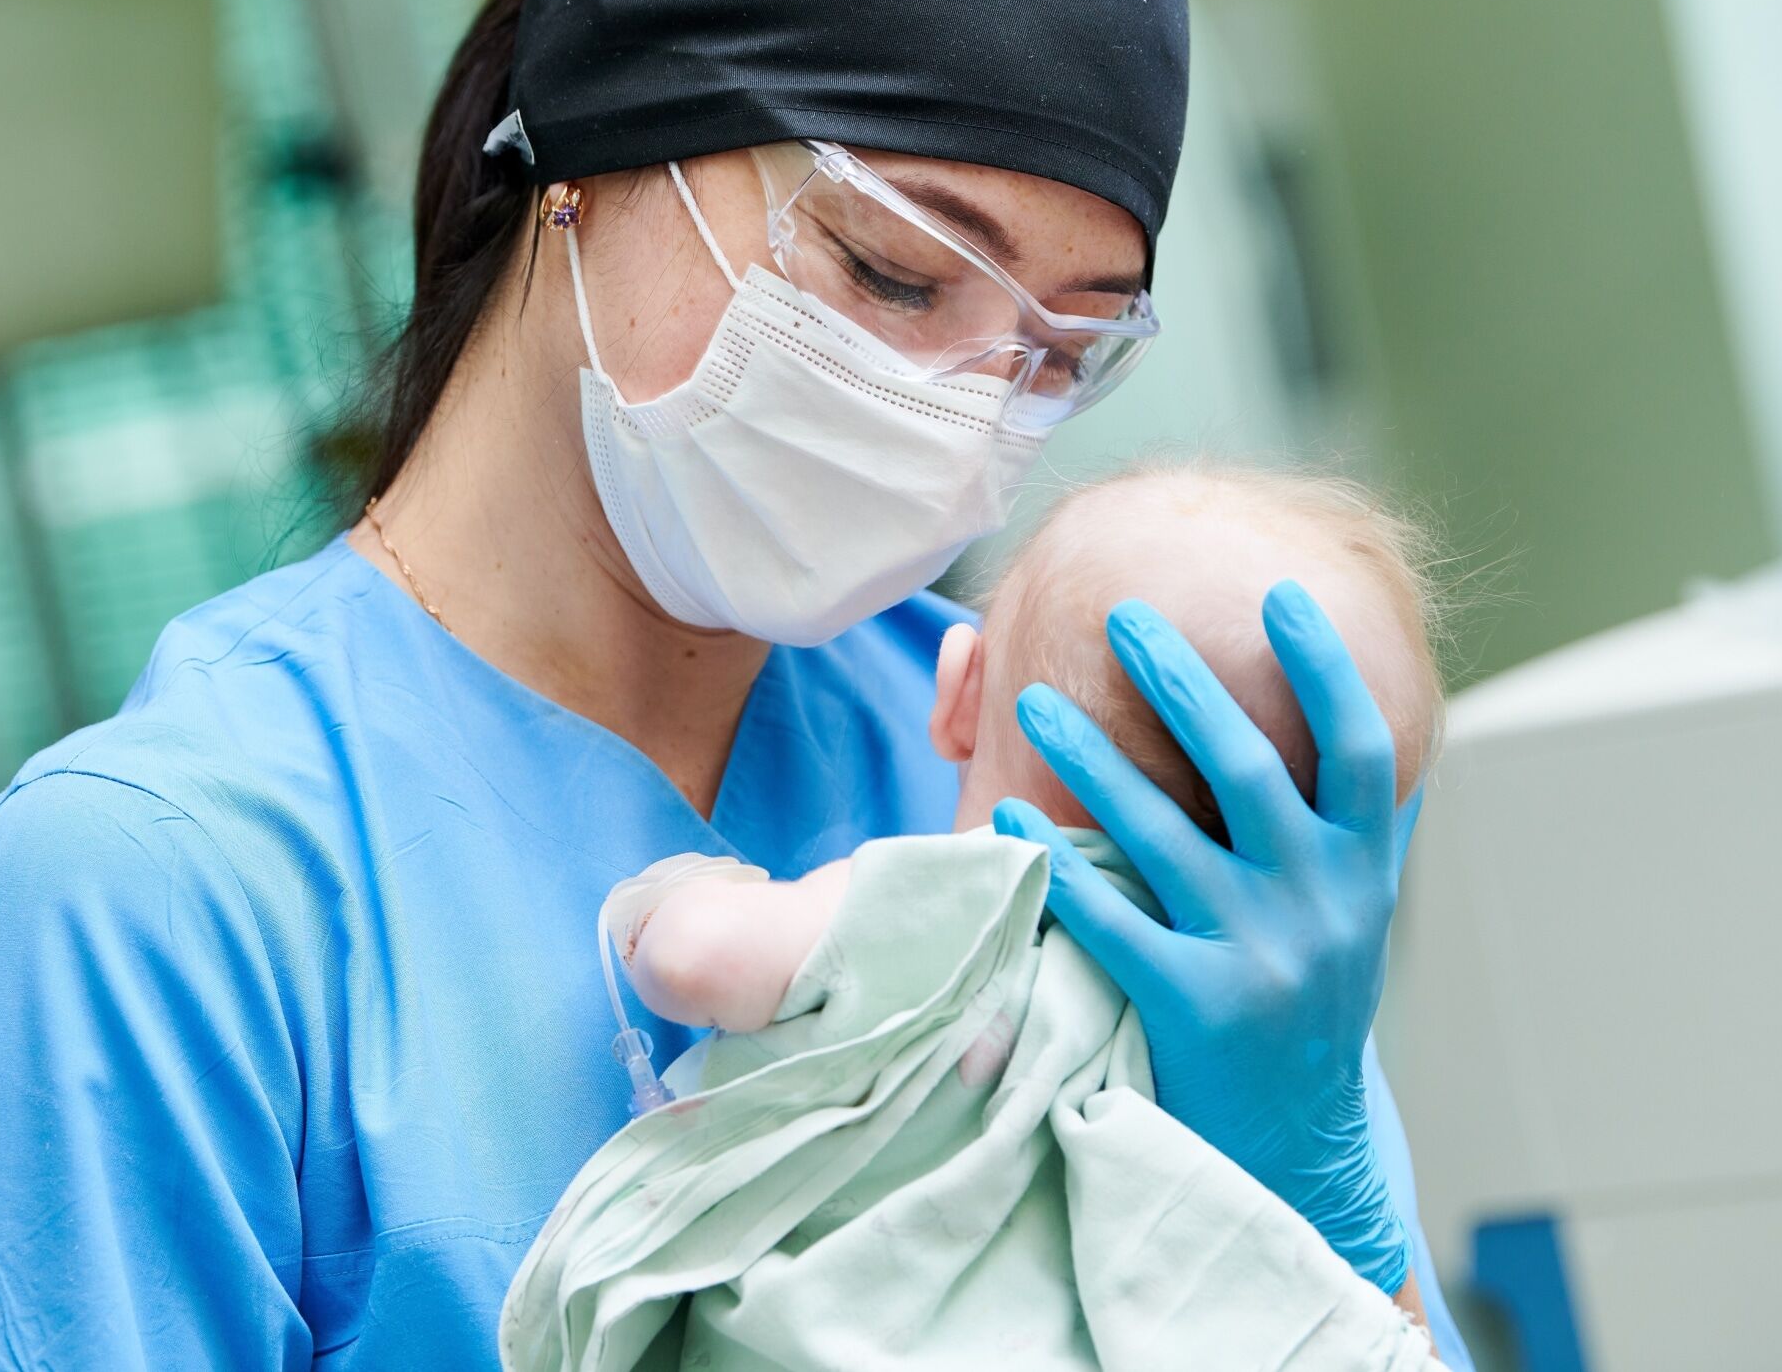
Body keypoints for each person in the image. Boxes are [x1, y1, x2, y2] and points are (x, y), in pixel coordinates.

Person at [0, 0, 1474, 1371]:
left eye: (1054, 354)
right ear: (597, 157)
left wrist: (1314, 1192)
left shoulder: (1035, 755)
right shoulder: (158, 905)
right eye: (893, 275)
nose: (951, 408)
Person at [502, 462, 1445, 1368]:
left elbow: (698, 957)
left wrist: (676, 900)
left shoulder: (955, 908)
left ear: (957, 694)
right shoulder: (1254, 1023)